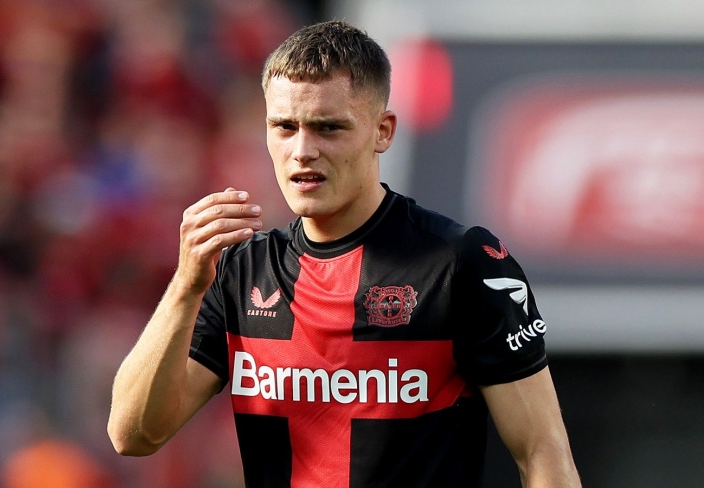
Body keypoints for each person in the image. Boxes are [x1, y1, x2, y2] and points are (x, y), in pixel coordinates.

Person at [107, 20, 582, 487]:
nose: (302, 150)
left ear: (383, 131)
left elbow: (542, 452)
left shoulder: (460, 265)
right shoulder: (239, 271)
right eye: (284, 127)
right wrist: (186, 288)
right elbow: (133, 435)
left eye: (328, 128)